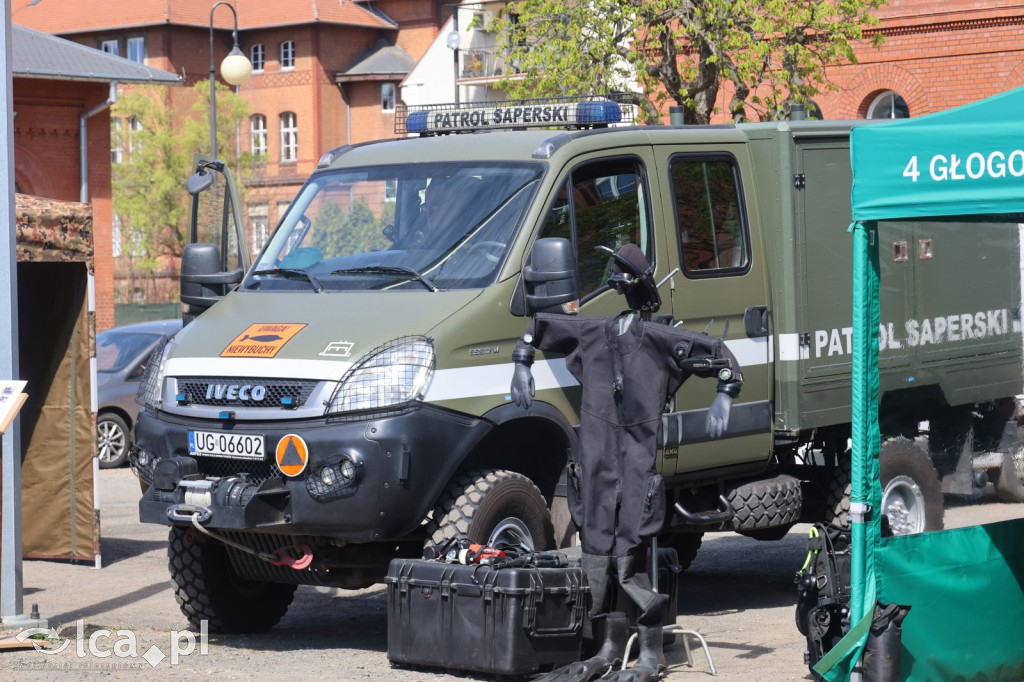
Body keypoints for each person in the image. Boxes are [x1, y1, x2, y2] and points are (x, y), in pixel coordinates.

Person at [510, 243, 742, 682]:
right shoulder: (594, 333)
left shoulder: (658, 340)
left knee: (632, 549)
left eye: (621, 274)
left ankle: (650, 650)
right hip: (597, 461)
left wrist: (725, 394)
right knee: (597, 549)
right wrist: (522, 364)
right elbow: (537, 329)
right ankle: (608, 648)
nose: (614, 280)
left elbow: (718, 355)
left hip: (637, 461)